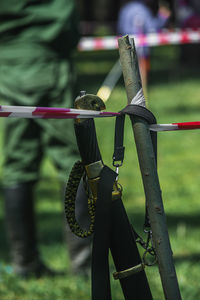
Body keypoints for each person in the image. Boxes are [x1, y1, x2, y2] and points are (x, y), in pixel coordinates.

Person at [0, 0, 91, 278]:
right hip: (49, 58)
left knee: (16, 162)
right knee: (72, 159)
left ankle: (25, 264)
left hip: (6, 64)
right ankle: (85, 267)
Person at [117, 0, 171, 95]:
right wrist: (162, 17)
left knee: (130, 75)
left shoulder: (125, 10)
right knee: (142, 75)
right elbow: (152, 29)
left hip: (126, 45)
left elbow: (120, 28)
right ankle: (142, 94)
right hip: (142, 47)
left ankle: (135, 94)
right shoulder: (143, 10)